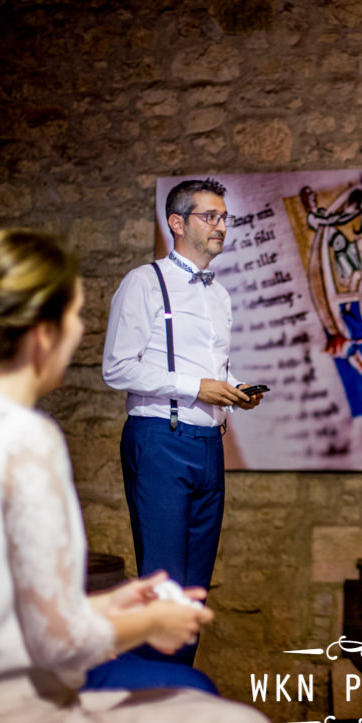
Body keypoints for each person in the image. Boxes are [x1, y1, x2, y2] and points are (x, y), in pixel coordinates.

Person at [0, 229, 287, 723]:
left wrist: (117, 600)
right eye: (73, 317)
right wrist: (146, 621)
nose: (78, 334)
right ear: (39, 334)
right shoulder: (25, 438)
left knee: (200, 704)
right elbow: (57, 645)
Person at [103, 177, 262, 666]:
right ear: (177, 223)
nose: (220, 226)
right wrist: (196, 387)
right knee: (165, 581)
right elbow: (117, 367)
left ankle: (176, 695)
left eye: (223, 217)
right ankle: (150, 703)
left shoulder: (221, 296)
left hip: (208, 442)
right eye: (209, 217)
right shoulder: (143, 282)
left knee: (194, 587)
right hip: (160, 440)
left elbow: (213, 368)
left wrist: (232, 389)